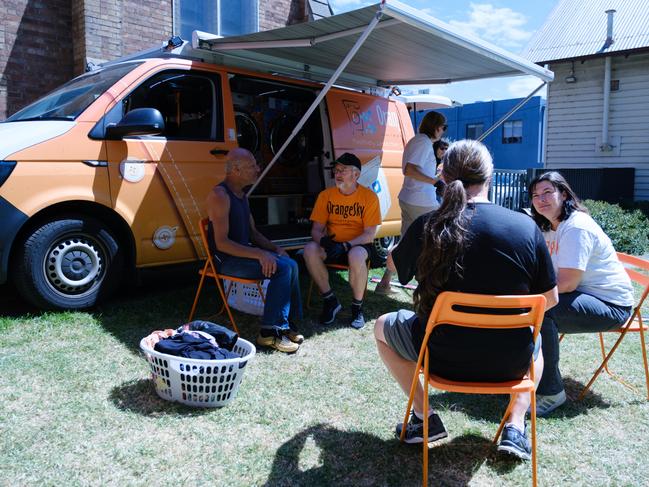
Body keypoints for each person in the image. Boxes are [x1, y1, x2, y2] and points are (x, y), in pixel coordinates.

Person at [374, 140, 558, 460]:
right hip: (510, 361)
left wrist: (400, 248)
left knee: (382, 326)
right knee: (538, 336)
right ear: (489, 176)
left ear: (444, 175)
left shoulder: (428, 226)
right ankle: (515, 425)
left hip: (440, 358)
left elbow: (394, 267)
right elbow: (550, 299)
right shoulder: (526, 228)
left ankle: (424, 416)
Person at [529, 171, 634, 415]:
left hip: (611, 305)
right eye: (535, 195)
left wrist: (530, 296)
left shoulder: (577, 226)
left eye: (548, 192)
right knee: (533, 306)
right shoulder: (548, 226)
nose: (541, 199)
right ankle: (523, 374)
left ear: (564, 194)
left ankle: (552, 391)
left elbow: (566, 283)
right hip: (582, 296)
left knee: (544, 310)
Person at [207, 147, 303, 353]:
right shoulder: (220, 195)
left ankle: (288, 326)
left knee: (291, 263)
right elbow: (221, 243)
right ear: (236, 169)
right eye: (252, 165)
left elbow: (253, 234)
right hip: (226, 261)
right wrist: (260, 254)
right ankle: (269, 332)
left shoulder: (241, 195)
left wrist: (275, 249)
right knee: (282, 269)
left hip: (241, 255)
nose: (258, 168)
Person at [303, 152, 381, 330]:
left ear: (356, 175)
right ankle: (330, 300)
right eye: (336, 170)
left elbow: (369, 234)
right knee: (309, 249)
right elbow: (315, 229)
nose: (337, 174)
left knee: (355, 255)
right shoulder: (326, 195)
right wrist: (324, 242)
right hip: (332, 246)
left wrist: (346, 245)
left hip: (357, 246)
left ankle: (357, 308)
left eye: (343, 170)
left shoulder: (369, 197)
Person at [375, 111, 447, 295]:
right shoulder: (423, 142)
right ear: (436, 127)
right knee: (431, 244)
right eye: (443, 127)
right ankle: (425, 287)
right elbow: (410, 170)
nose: (443, 132)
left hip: (410, 198)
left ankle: (384, 283)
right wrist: (435, 181)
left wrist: (435, 175)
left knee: (406, 242)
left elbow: (413, 170)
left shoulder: (418, 141)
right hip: (420, 201)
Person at [433, 138, 449, 204]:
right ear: (436, 148)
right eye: (442, 148)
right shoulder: (432, 160)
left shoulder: (441, 160)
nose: (444, 151)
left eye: (446, 149)